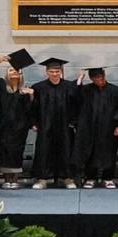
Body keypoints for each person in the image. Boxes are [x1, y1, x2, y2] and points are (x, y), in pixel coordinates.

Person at [72, 66, 118, 189]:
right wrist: (80, 78)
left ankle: (108, 178)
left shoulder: (116, 91)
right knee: (90, 152)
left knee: (109, 152)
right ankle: (90, 178)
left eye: (101, 77)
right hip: (90, 127)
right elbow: (74, 97)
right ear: (91, 79)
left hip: (109, 127)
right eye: (96, 78)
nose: (100, 80)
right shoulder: (86, 90)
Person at [0, 57, 34, 189]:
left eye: (17, 71)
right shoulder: (0, 86)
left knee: (17, 152)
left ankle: (15, 179)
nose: (14, 73)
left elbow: (30, 111)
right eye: (11, 70)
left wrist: (31, 96)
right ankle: (7, 179)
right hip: (2, 127)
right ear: (7, 73)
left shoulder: (25, 91)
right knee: (4, 152)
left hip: (19, 129)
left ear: (21, 75)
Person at [28, 58, 76, 188]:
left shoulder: (69, 86)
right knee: (44, 151)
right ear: (47, 71)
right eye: (52, 71)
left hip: (64, 125)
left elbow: (76, 106)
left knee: (66, 150)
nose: (55, 74)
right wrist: (33, 122)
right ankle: (42, 179)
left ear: (61, 71)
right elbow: (33, 107)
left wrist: (73, 122)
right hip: (45, 125)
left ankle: (67, 178)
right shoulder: (38, 87)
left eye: (57, 71)